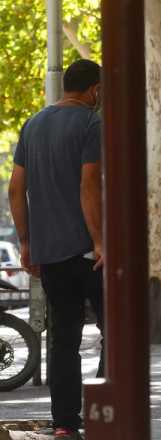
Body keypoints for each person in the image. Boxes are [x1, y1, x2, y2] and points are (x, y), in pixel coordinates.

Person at [8, 59, 104, 440]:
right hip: (89, 254)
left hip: (50, 254)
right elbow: (89, 186)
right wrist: (99, 240)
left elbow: (16, 189)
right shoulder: (91, 123)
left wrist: (27, 242)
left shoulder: (32, 125)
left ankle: (65, 421)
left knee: (64, 339)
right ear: (94, 90)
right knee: (115, 332)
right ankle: (106, 411)